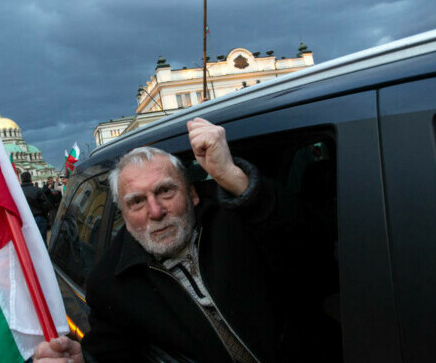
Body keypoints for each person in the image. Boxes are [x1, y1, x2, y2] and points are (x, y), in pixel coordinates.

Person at [35, 118, 323, 362]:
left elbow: (310, 248)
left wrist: (232, 177)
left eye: (166, 191)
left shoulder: (238, 222)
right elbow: (115, 355)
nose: (156, 211)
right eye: (136, 202)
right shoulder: (111, 283)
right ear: (123, 214)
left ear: (193, 194)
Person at [20, 172, 53, 240]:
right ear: (30, 179)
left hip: (25, 220)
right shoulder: (37, 190)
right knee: (42, 241)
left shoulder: (18, 192)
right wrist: (44, 214)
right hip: (39, 218)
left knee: (30, 242)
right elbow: (46, 205)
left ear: (21, 180)